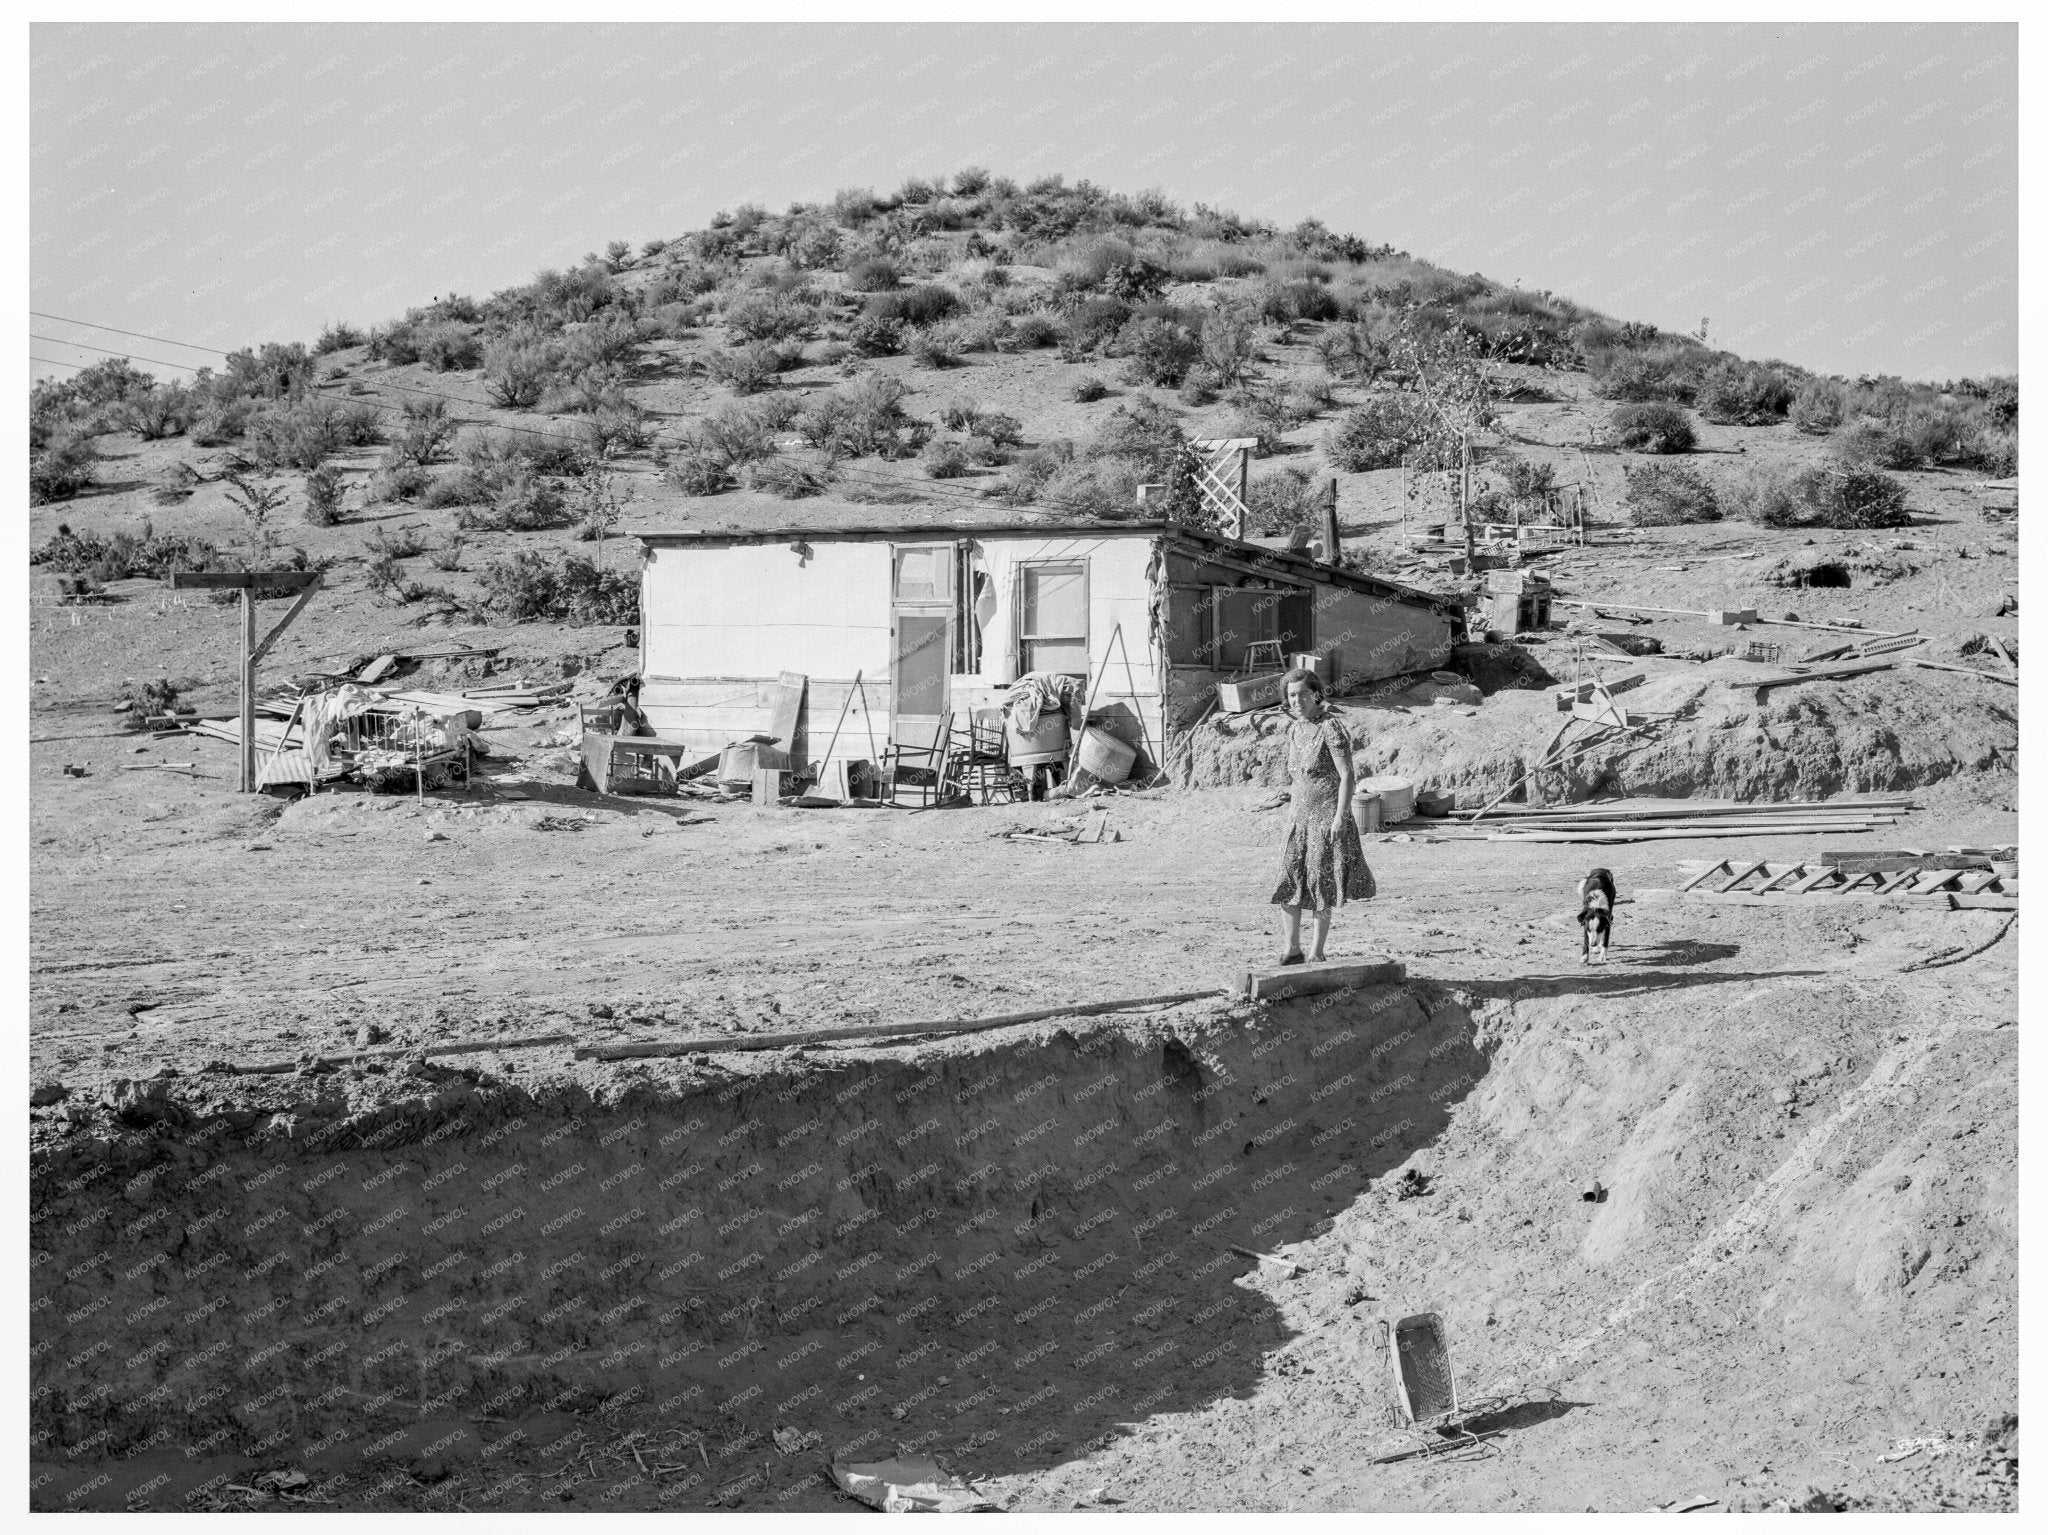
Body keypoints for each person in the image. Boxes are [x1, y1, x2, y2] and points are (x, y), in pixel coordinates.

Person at [1269, 668, 1375, 964]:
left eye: (1303, 694)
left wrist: (1340, 817)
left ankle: (1316, 953)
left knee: (1321, 885)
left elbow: (1347, 775)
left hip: (1326, 818)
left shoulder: (1331, 727)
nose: (1297, 700)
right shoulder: (1294, 728)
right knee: (1288, 881)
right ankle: (1292, 950)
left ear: (1316, 694)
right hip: (1298, 819)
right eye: (1291, 695)